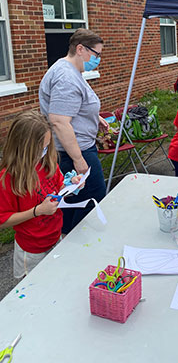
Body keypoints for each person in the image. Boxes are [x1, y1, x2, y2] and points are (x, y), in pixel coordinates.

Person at [39, 28, 108, 234]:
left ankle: (67, 235)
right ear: (80, 49)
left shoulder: (71, 72)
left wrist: (95, 117)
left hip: (78, 147)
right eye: (96, 54)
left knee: (73, 198)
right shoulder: (66, 77)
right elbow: (59, 121)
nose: (98, 59)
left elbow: (74, 106)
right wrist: (78, 160)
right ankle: (76, 240)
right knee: (93, 195)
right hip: (73, 151)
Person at [0, 111, 82, 278]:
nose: (44, 152)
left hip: (55, 238)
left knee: (55, 282)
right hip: (31, 251)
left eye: (47, 146)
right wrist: (38, 210)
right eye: (40, 149)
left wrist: (72, 184)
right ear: (24, 148)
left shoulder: (47, 163)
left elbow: (59, 188)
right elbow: (3, 220)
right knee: (32, 291)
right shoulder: (9, 178)